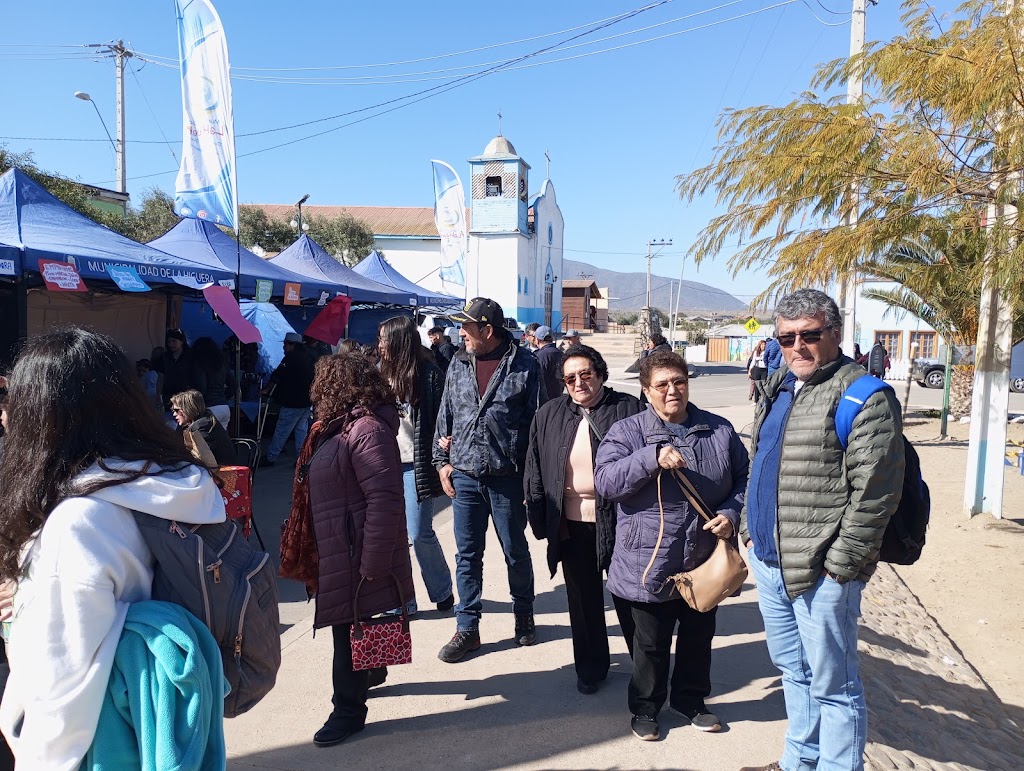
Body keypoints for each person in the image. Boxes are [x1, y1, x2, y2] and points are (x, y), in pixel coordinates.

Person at [0, 326, 227, 768]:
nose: (5, 415)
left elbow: (61, 678)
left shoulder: (78, 522)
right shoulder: (167, 481)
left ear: (44, 416)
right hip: (151, 718)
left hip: (100, 740)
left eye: (15, 402)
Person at [739, 289, 904, 771]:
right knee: (793, 672)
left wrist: (840, 567)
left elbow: (875, 494)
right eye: (786, 338)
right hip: (770, 563)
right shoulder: (779, 387)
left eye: (809, 335)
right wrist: (750, 530)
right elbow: (760, 462)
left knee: (836, 688)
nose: (797, 346)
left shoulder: (864, 396)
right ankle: (798, 761)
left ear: (834, 334)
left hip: (822, 573)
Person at [594, 350, 749, 743]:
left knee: (699, 637)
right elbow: (606, 482)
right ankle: (646, 707)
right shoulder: (627, 432)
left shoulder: (719, 430)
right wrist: (650, 458)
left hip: (703, 558)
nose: (672, 390)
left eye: (679, 381)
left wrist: (731, 514)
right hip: (647, 560)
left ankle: (690, 700)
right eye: (661, 384)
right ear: (646, 391)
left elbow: (744, 479)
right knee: (650, 643)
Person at [303, 353, 414, 748]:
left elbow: (384, 499)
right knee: (357, 625)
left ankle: (347, 712)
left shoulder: (366, 430)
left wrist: (373, 562)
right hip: (343, 547)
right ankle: (371, 671)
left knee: (345, 629)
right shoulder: (340, 426)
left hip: (355, 552)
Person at [525, 345, 642, 694]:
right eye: (570, 378)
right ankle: (591, 668)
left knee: (632, 599)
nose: (578, 383)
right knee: (582, 599)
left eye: (586, 374)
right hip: (571, 524)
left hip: (622, 521)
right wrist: (539, 515)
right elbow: (535, 465)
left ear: (601, 374)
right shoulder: (549, 413)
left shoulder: (628, 408)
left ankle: (647, 668)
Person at [433, 297, 542, 662]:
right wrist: (441, 461)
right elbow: (446, 413)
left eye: (466, 327)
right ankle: (467, 628)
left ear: (487, 330)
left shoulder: (525, 365)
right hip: (464, 475)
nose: (460, 333)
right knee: (467, 555)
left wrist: (532, 479)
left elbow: (538, 425)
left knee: (515, 551)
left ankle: (524, 614)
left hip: (507, 478)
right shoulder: (458, 362)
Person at [377, 316, 454, 615]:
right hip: (384, 464)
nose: (380, 345)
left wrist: (444, 453)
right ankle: (403, 600)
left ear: (399, 341)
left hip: (416, 464)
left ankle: (442, 589)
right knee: (392, 536)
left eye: (384, 339)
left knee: (418, 532)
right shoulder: (380, 373)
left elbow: (444, 420)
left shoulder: (430, 375)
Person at [261, 332, 315, 467]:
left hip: (292, 401)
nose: (283, 348)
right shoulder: (309, 357)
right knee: (301, 430)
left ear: (292, 345)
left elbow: (277, 375)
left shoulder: (290, 358)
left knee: (282, 430)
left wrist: (266, 390)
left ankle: (271, 457)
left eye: (285, 345)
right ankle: (302, 459)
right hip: (306, 401)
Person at [170, 388, 237, 466]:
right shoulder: (205, 419)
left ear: (188, 409)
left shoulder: (202, 426)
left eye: (177, 410)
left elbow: (199, 456)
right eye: (173, 411)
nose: (174, 414)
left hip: (221, 469)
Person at [191, 336, 234, 427]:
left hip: (209, 407)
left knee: (205, 435)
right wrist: (223, 396)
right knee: (222, 435)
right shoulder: (221, 364)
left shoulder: (199, 364)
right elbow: (233, 385)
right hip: (223, 406)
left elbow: (202, 387)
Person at [155, 328, 195, 409]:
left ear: (181, 341)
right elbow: (161, 377)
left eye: (174, 341)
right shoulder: (165, 357)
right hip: (168, 396)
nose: (171, 344)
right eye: (169, 341)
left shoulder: (190, 356)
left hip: (185, 395)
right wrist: (158, 394)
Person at [531, 325, 563, 401]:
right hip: (558, 397)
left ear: (537, 340)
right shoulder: (560, 353)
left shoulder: (540, 356)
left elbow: (537, 380)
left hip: (544, 399)